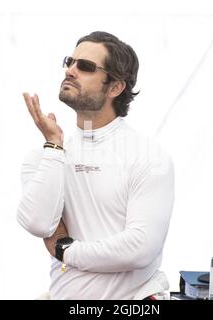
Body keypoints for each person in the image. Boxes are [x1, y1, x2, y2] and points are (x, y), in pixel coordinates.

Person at [17, 31, 174, 300]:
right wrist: (54, 144)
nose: (71, 70)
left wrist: (65, 249)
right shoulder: (46, 155)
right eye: (70, 61)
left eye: (85, 66)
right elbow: (37, 223)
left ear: (115, 87)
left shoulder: (149, 156)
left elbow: (140, 248)